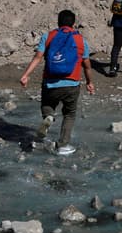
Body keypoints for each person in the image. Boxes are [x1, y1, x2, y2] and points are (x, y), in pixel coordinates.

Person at [18, 9, 95, 156]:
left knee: (47, 105)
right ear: (73, 24)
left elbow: (38, 57)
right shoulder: (80, 40)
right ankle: (62, 145)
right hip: (72, 84)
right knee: (69, 114)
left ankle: (49, 116)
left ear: (58, 22)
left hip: (50, 83)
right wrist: (90, 82)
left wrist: (26, 75)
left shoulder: (48, 36)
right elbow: (87, 65)